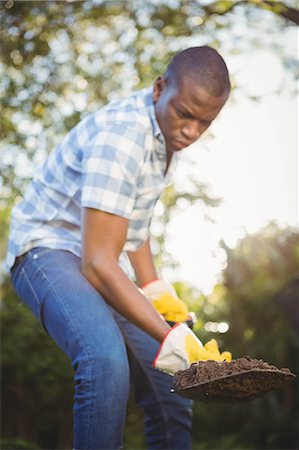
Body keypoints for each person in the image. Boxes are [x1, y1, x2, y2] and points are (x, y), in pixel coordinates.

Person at [6, 46, 232, 450]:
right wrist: (170, 335)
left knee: (172, 380)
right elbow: (97, 265)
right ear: (160, 87)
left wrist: (157, 291)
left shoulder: (164, 138)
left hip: (94, 255)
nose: (192, 132)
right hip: (45, 250)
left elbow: (132, 229)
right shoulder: (123, 136)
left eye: (205, 122)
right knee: (105, 361)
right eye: (185, 114)